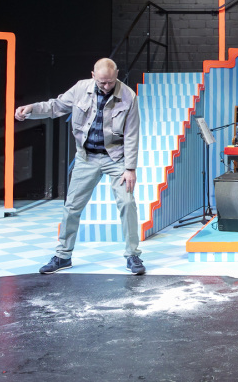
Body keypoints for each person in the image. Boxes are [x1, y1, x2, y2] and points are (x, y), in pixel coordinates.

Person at [15, 58, 145, 275]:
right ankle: (63, 255)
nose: (106, 86)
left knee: (127, 203)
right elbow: (56, 106)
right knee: (72, 206)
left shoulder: (128, 96)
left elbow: (132, 133)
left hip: (116, 158)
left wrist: (130, 168)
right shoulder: (80, 89)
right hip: (86, 158)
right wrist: (31, 109)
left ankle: (133, 255)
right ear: (93, 76)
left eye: (110, 82)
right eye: (102, 82)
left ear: (117, 75)